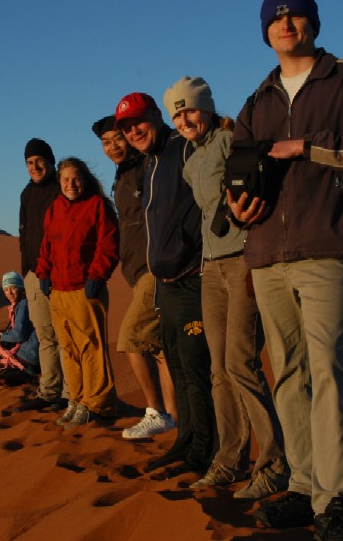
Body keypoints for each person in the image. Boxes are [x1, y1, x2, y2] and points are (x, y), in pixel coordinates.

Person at [226, 0, 343, 540]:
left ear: (313, 23)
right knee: (288, 374)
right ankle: (302, 486)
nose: (285, 24)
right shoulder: (257, 101)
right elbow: (240, 168)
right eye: (274, 19)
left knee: (326, 371)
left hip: (326, 245)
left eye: (295, 15)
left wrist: (302, 146)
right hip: (268, 252)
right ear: (264, 32)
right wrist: (238, 203)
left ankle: (334, 499)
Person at [164, 76, 288, 500]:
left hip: (244, 261)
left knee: (240, 362)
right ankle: (228, 459)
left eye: (190, 110)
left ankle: (273, 464)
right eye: (177, 114)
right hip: (210, 269)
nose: (184, 119)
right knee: (218, 370)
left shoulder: (232, 139)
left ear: (207, 107)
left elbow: (260, 182)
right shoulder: (190, 162)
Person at [115, 92, 215, 475]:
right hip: (166, 283)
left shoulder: (183, 150)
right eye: (126, 127)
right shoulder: (151, 163)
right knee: (176, 362)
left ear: (158, 116)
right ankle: (186, 442)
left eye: (139, 122)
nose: (134, 131)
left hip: (193, 278)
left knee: (195, 370)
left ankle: (205, 450)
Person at [92, 115, 177, 440]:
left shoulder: (146, 167)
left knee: (130, 339)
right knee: (160, 349)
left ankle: (154, 410)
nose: (113, 147)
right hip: (137, 269)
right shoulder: (124, 173)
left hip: (153, 268)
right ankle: (172, 418)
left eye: (118, 139)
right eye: (106, 142)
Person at [36, 157, 120, 429]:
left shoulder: (96, 206)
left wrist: (97, 275)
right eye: (65, 180)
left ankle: (95, 403)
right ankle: (76, 397)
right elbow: (47, 244)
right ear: (59, 182)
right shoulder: (54, 209)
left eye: (76, 179)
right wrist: (43, 272)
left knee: (91, 347)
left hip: (84, 288)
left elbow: (108, 244)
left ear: (84, 179)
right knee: (69, 348)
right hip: (58, 290)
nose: (71, 185)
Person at [17, 138, 69, 412]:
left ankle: (70, 393)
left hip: (60, 273)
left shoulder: (61, 187)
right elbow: (23, 232)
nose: (35, 167)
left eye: (39, 161)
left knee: (64, 334)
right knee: (45, 335)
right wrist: (26, 269)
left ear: (50, 161)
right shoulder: (26, 194)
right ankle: (49, 390)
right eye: (29, 163)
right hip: (34, 274)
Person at [0, 271, 40, 382]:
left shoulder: (23, 304)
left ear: (21, 288)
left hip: (29, 352)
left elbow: (19, 334)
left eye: (13, 288)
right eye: (6, 289)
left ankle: (26, 373)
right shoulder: (18, 305)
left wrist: (4, 336)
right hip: (29, 349)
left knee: (4, 375)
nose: (10, 293)